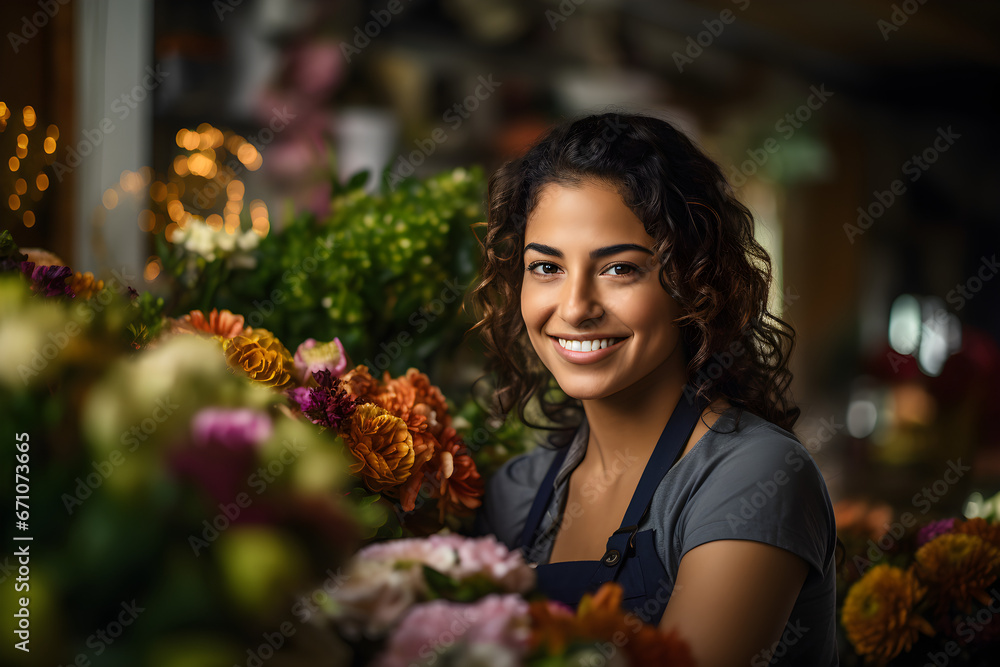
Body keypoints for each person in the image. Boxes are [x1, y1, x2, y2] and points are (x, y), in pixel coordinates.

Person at [468, 112, 839, 666]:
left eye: (619, 269)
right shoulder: (513, 492)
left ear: (694, 283)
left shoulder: (751, 479)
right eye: (546, 267)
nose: (574, 308)